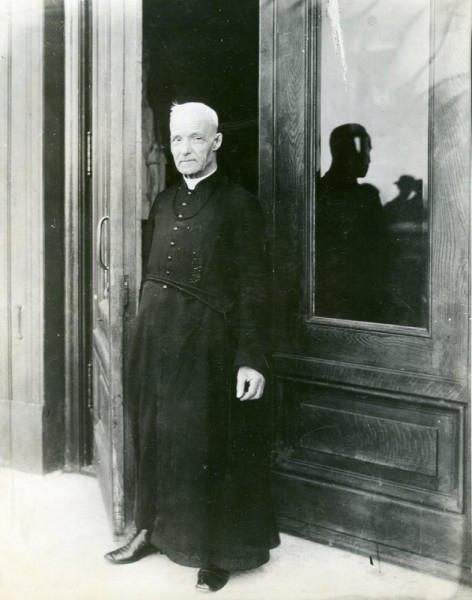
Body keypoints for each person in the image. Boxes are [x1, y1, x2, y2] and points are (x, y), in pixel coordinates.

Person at [105, 102, 279, 592]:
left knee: (209, 444)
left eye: (196, 138)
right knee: (153, 435)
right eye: (177, 139)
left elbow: (255, 288)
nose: (184, 149)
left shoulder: (239, 204)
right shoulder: (163, 202)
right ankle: (149, 530)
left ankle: (216, 553)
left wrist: (251, 358)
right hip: (155, 343)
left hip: (207, 346)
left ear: (216, 142)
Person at [315, 123, 389, 323]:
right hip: (353, 306)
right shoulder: (366, 197)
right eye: (366, 152)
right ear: (351, 153)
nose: (369, 159)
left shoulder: (315, 191)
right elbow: (380, 257)